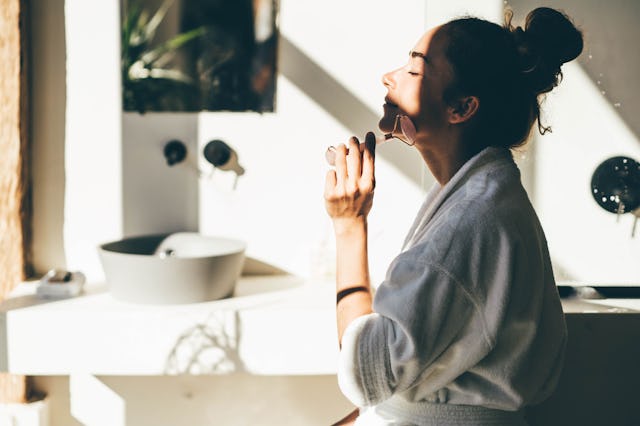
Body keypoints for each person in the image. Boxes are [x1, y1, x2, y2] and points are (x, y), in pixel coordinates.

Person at [323, 7, 583, 426]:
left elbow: (367, 374)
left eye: (414, 70)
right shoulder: (485, 198)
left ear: (461, 107)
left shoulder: (471, 222)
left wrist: (349, 225)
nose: (388, 76)